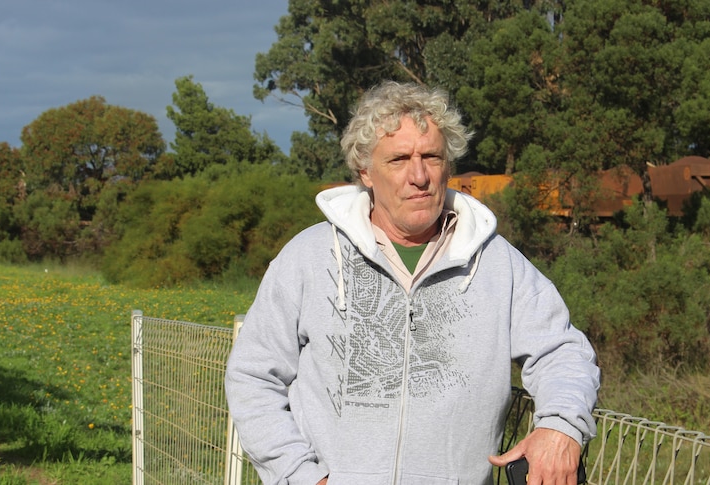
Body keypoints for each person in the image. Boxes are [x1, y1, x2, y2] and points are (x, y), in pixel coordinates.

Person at [225, 81, 600, 485]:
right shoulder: (308, 257)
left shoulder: (497, 262)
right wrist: (299, 476)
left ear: (448, 166)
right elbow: (253, 377)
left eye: (432, 157)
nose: (419, 176)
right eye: (399, 159)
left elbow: (563, 351)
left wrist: (561, 427)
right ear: (365, 171)